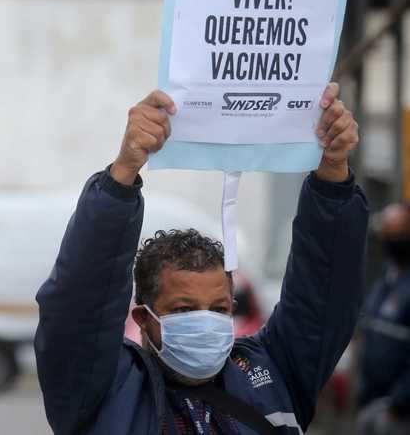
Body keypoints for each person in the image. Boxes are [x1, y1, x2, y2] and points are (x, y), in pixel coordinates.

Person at [35, 84, 368, 435]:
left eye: (219, 309)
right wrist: (123, 173)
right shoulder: (104, 391)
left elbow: (325, 290)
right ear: (143, 319)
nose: (205, 324)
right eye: (183, 310)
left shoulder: (273, 372)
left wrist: (333, 170)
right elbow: (79, 303)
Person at [356, 203, 410, 435]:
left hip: (398, 412)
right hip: (372, 402)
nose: (390, 238)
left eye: (398, 231)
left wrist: (399, 402)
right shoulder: (385, 281)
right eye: (387, 231)